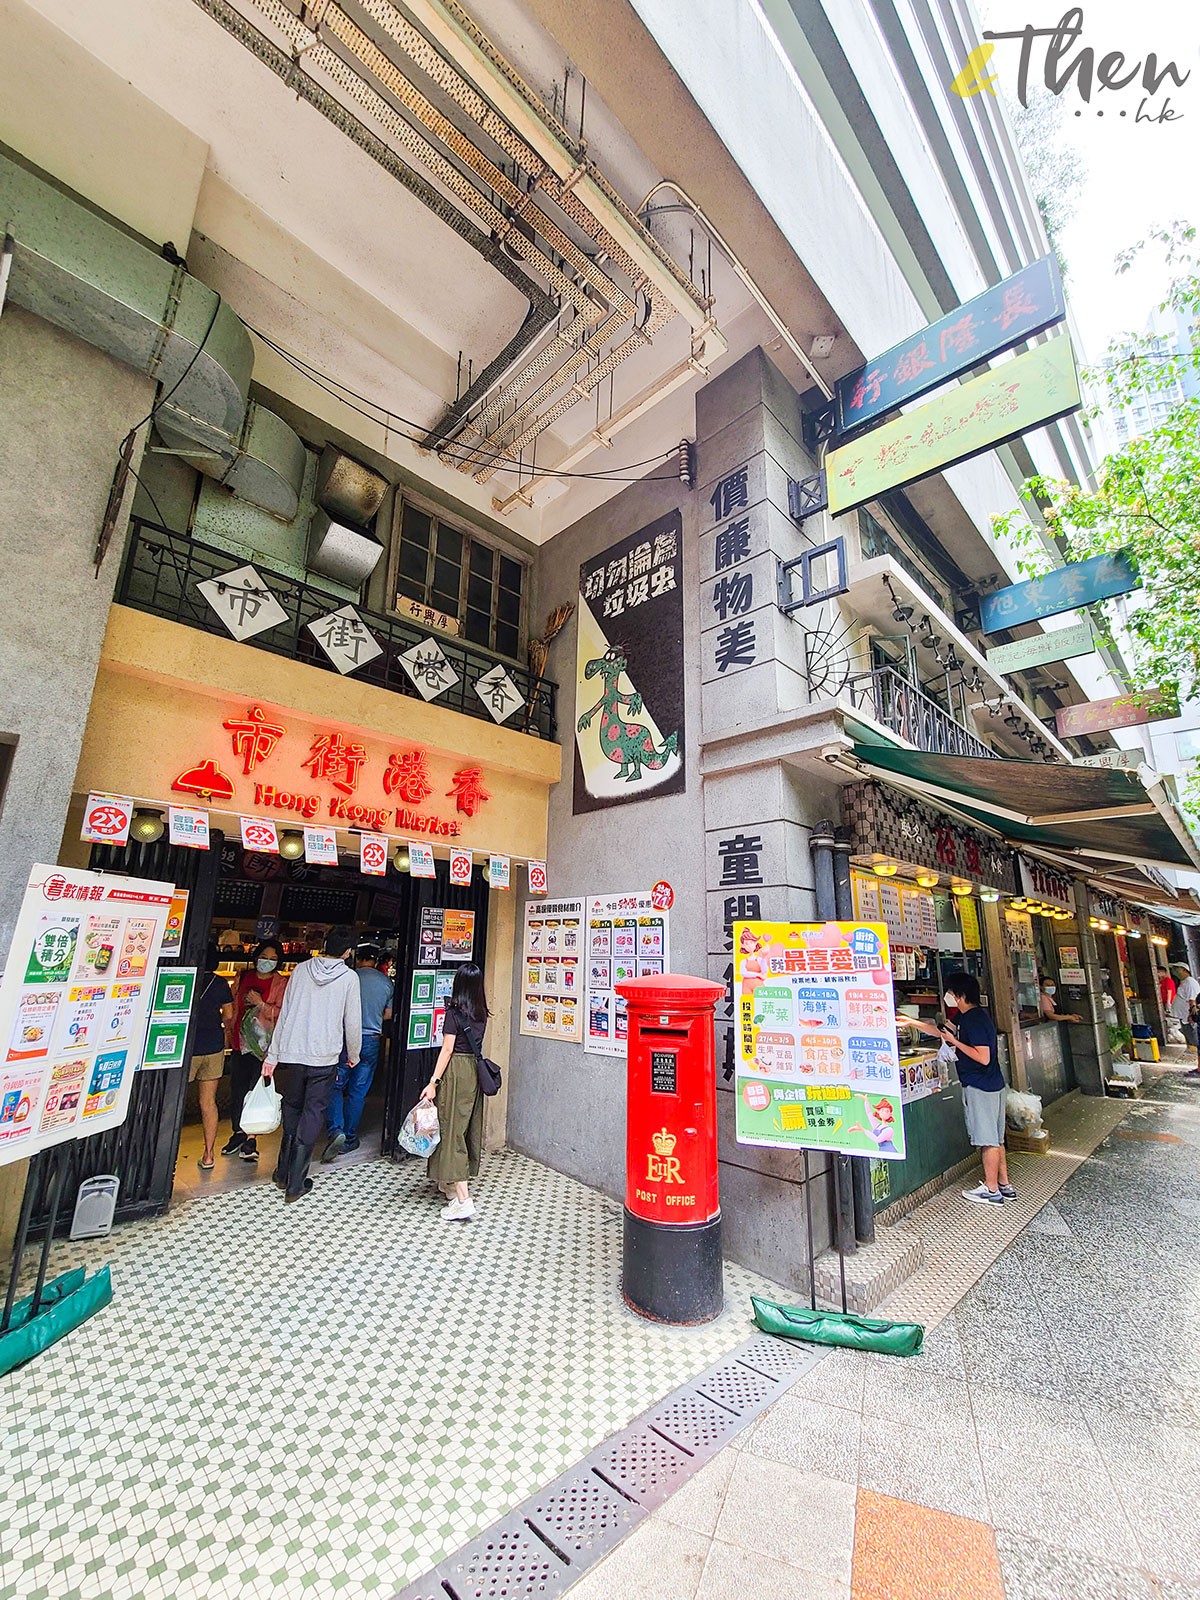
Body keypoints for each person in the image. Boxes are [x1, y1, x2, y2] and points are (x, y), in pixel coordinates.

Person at [263, 926, 361, 1202]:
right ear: (348, 952)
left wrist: (273, 1055)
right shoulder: (349, 978)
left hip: (293, 1054)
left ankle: (282, 1172)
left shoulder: (301, 970)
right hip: (324, 1058)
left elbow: (285, 1014)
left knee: (292, 1108)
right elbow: (352, 1021)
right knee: (313, 1113)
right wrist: (354, 1054)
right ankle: (295, 1183)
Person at [908, 971, 1012, 1206]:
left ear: (960, 995)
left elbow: (983, 1057)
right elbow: (942, 1032)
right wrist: (911, 1022)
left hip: (981, 1086)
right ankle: (1005, 1185)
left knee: (988, 1140)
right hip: (992, 1084)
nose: (948, 997)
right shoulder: (968, 1017)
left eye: (951, 993)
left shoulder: (973, 1020)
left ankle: (991, 1189)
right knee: (996, 1139)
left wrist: (955, 1043)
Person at [419, 963, 488, 1221]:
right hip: (473, 1071)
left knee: (451, 1131)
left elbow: (447, 1050)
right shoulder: (481, 1013)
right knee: (463, 1126)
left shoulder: (454, 1013)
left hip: (456, 1070)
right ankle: (448, 1184)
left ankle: (463, 1199)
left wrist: (433, 1082)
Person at [322, 947, 393, 1161]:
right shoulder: (386, 983)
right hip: (370, 1041)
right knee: (358, 1090)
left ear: (358, 959)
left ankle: (336, 1130)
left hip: (344, 1038)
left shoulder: (347, 977)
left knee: (335, 1084)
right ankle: (351, 1138)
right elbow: (388, 1014)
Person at [222, 941, 289, 1162]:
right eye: (264, 956)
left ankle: (251, 1138)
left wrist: (261, 1004)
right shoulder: (243, 977)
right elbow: (233, 1007)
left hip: (264, 1047)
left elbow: (283, 1013)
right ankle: (238, 1133)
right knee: (238, 1088)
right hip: (239, 1043)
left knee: (256, 1089)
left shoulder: (281, 983)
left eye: (272, 959)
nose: (267, 962)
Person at [190, 943, 233, 1170]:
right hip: (213, 1046)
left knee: (175, 1103)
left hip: (186, 1047)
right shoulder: (219, 983)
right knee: (208, 1102)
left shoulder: (186, 977)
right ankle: (208, 1155)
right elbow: (229, 1015)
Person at [1169, 964, 1200, 1074]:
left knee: (1197, 1042)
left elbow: (1193, 1001)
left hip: (1190, 1018)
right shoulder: (1184, 982)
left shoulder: (1190, 982)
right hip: (1185, 1017)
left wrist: (1191, 1015)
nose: (1175, 971)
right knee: (1196, 1043)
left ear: (1184, 970)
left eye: (1177, 969)